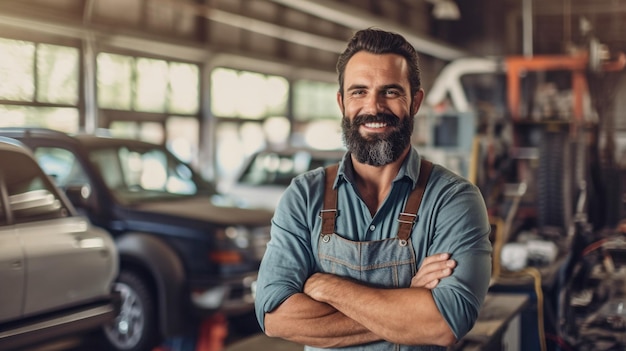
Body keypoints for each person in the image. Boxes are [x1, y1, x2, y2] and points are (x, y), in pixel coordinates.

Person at [254, 28, 492, 350]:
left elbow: (443, 324)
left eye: (390, 92)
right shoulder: (304, 196)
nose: (373, 107)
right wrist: (408, 302)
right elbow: (275, 316)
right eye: (359, 92)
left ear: (416, 102)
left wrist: (327, 287)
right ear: (342, 102)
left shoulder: (453, 199)